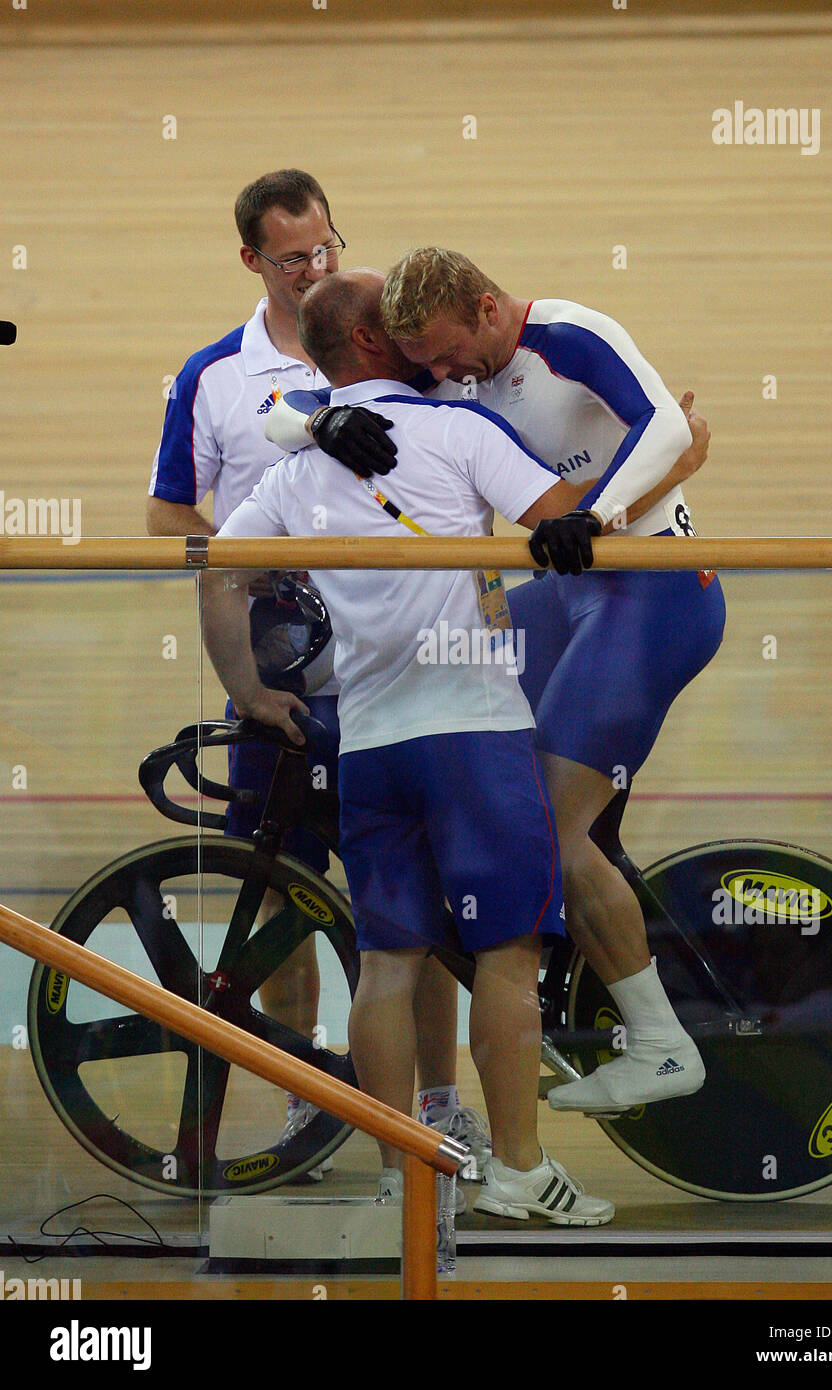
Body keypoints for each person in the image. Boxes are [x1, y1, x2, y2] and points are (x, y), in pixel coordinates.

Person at [269, 248, 724, 1115]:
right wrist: (318, 426)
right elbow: (295, 408)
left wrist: (600, 512)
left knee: (550, 828)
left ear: (485, 306)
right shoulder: (455, 373)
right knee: (455, 665)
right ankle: (544, 878)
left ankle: (661, 1044)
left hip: (649, 595)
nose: (441, 376)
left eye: (446, 355)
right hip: (573, 593)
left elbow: (666, 426)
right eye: (426, 365)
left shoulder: (568, 333)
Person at [201, 268, 614, 1224]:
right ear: (381, 343)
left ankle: (404, 1183)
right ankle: (516, 1171)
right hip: (472, 727)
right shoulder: (459, 430)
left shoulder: (295, 472)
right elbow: (565, 514)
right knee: (507, 956)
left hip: (371, 741)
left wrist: (247, 690)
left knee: (390, 963)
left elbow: (217, 564)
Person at [145, 173, 478, 1164]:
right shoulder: (213, 375)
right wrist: (259, 613)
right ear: (251, 259)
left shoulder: (400, 354)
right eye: (293, 256)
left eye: (327, 245)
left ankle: (435, 1105)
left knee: (410, 905)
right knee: (286, 896)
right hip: (282, 680)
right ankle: (302, 1092)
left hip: (399, 675)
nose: (316, 268)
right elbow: (169, 520)